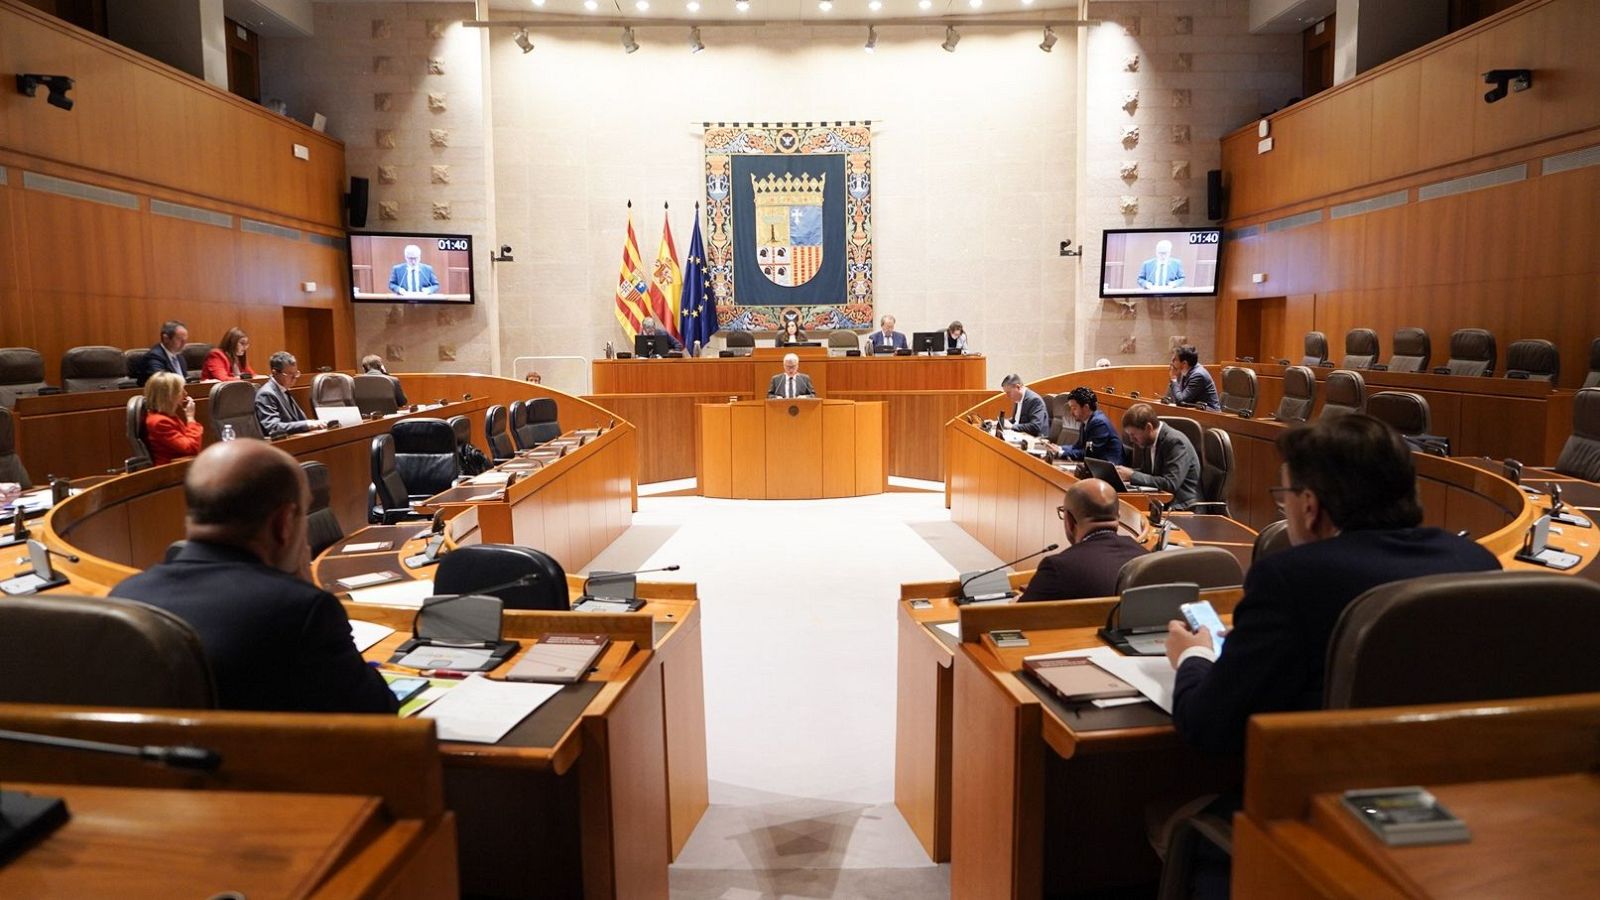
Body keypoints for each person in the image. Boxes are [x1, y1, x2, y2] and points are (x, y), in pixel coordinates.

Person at [1164, 414, 1502, 754]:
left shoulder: (1288, 580)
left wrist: (1193, 655)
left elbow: (1207, 726)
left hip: (1325, 792)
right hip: (1463, 787)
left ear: (1310, 506)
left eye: (1285, 498)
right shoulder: (1479, 563)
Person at [112, 441, 398, 714]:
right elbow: (381, 711)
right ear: (284, 523)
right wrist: (302, 588)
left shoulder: (123, 601)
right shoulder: (302, 611)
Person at [1019, 479, 1148, 602]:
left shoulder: (1058, 567)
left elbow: (1018, 618)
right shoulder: (1146, 558)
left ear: (1069, 520)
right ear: (1118, 516)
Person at [1116, 403, 1201, 508]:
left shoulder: (1175, 442)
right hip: (1159, 503)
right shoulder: (1148, 441)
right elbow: (1149, 473)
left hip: (1182, 507)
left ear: (1148, 427)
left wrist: (1132, 475)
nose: (1131, 440)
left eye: (1133, 434)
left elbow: (1170, 484)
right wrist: (1122, 474)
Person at [254, 351, 328, 437]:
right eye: (289, 374)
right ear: (275, 373)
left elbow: (298, 419)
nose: (294, 377)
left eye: (296, 373)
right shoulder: (266, 394)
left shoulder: (284, 389)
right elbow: (273, 427)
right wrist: (307, 424)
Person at [142, 372, 203, 466]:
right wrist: (191, 419)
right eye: (181, 390)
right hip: (171, 472)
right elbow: (191, 448)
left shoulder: (168, 416)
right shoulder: (159, 422)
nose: (185, 394)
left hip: (182, 466)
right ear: (169, 396)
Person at [1052, 387, 1125, 465]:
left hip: (1109, 469)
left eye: (1074, 408)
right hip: (1094, 465)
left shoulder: (1098, 423)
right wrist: (1060, 448)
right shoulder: (1086, 421)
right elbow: (1078, 446)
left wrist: (1062, 453)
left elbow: (1091, 454)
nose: (1071, 412)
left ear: (1086, 407)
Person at [1162, 345, 1221, 410]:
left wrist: (1173, 378)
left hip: (1210, 414)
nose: (1171, 362)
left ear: (1184, 363)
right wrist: (1174, 379)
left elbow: (1181, 401)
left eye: (1174, 360)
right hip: (1194, 410)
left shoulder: (1198, 375)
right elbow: (1173, 397)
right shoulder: (1185, 371)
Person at [134, 320, 189, 386]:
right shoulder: (154, 357)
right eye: (180, 339)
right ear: (166, 338)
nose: (184, 343)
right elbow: (162, 382)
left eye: (185, 340)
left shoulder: (179, 357)